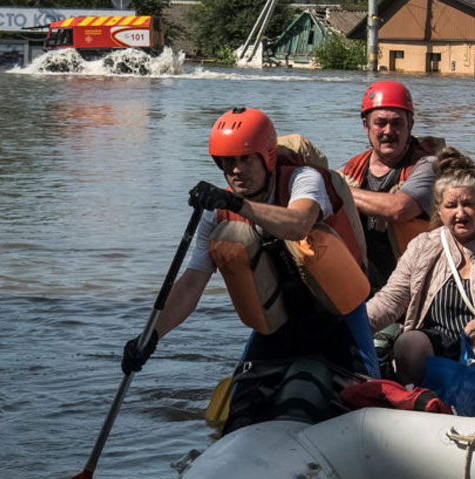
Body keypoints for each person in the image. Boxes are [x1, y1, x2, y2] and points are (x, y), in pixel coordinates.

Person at [120, 107, 378, 433]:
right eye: (226, 163)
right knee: (238, 418)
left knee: (368, 407)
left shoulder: (304, 179)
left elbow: (298, 224)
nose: (235, 171)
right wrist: (151, 336)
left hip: (340, 320)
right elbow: (191, 283)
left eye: (245, 160)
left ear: (268, 157)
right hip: (278, 324)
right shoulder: (219, 213)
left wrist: (238, 205)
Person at [366, 148, 475, 385]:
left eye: (468, 204)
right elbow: (393, 298)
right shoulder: (423, 245)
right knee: (407, 343)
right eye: (451, 205)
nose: (460, 213)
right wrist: (356, 323)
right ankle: (417, 400)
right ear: (439, 211)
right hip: (436, 341)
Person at [341, 80, 442, 291]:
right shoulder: (351, 170)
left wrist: (337, 190)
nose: (388, 131)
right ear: (365, 125)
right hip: (363, 289)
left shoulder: (428, 166)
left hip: (415, 290)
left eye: (397, 123)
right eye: (380, 123)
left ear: (410, 125)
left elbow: (398, 209)